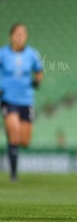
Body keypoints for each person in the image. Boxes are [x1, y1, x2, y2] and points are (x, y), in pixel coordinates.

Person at [0, 23, 43, 182]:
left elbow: (39, 71)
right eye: (18, 33)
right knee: (14, 133)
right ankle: (13, 174)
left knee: (24, 141)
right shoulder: (3, 54)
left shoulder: (32, 54)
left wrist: (37, 82)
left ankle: (12, 134)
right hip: (8, 99)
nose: (20, 36)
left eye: (23, 34)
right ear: (11, 36)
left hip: (26, 100)